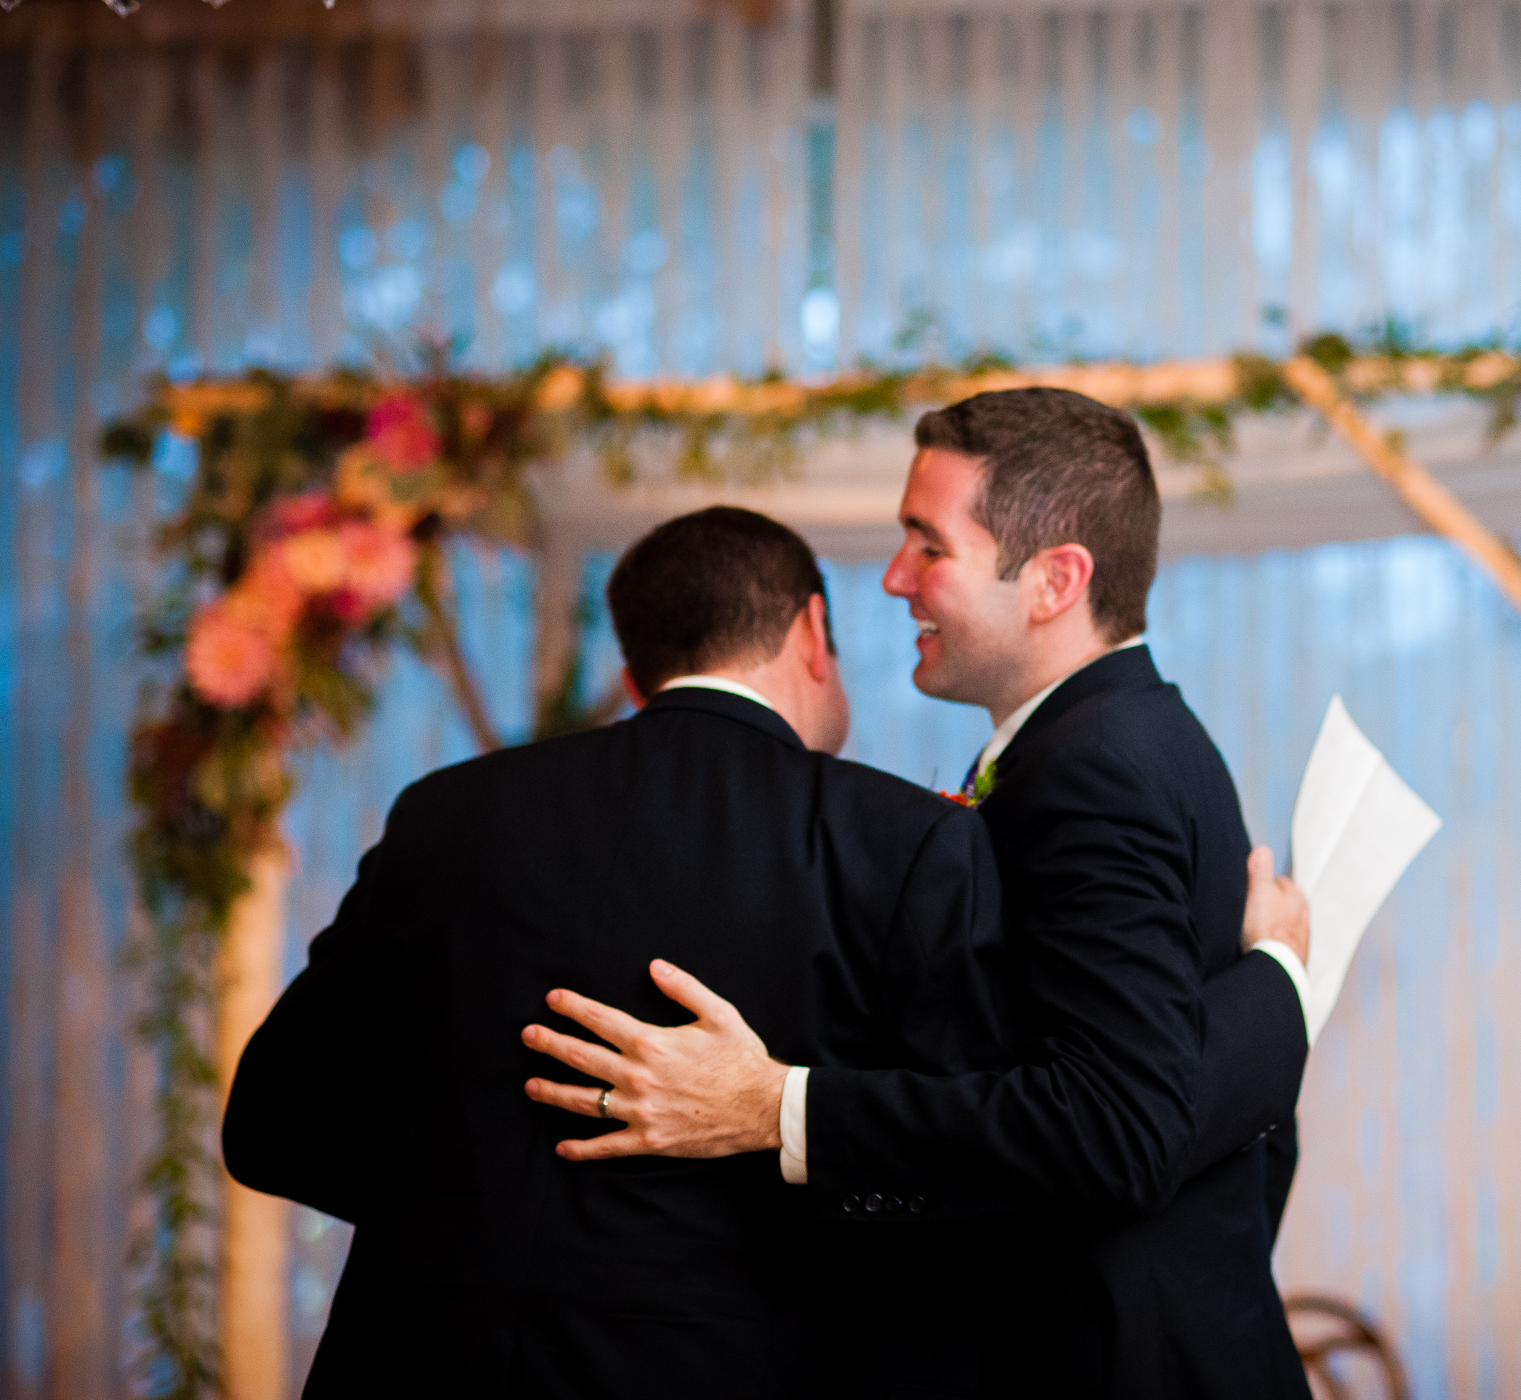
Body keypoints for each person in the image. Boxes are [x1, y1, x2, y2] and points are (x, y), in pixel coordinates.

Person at [523, 388, 1317, 1399]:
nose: (893, 578)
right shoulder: (1126, 734)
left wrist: (773, 1104)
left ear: (1053, 579)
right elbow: (1175, 1105)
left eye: (926, 545)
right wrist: (1280, 988)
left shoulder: (1095, 770)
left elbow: (1118, 1124)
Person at [223, 507, 1024, 1397]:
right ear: (810, 630)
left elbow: (271, 1121)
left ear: (634, 667)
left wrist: (453, 1209)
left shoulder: (447, 811)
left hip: (417, 1355)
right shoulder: (904, 842)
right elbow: (969, 1167)